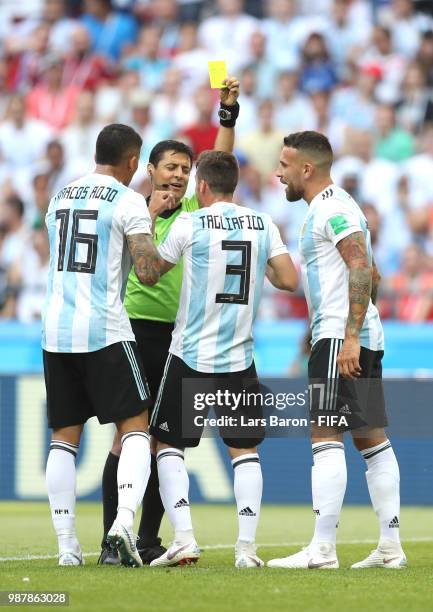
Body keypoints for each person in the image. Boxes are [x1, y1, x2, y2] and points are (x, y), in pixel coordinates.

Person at [99, 77, 242, 565]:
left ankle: (150, 538)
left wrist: (227, 114)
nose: (180, 176)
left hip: (183, 339)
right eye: (172, 168)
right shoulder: (128, 209)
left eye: (185, 169)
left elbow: (218, 166)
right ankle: (111, 537)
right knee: (129, 434)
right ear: (149, 170)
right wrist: (143, 207)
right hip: (136, 331)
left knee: (167, 439)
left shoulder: (191, 213)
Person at [144, 150, 298, 569]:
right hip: (239, 356)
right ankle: (246, 550)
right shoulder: (262, 223)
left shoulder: (189, 223)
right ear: (236, 184)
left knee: (169, 445)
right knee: (244, 450)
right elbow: (288, 279)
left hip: (190, 353)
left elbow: (149, 273)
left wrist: (149, 223)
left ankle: (185, 540)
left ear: (203, 186)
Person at [268, 131, 406, 570]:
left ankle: (322, 549)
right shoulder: (342, 205)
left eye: (284, 166)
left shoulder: (330, 207)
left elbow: (361, 267)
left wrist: (348, 335)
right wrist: (361, 329)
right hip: (361, 336)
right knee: (371, 440)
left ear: (306, 169)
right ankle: (390, 547)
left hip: (339, 339)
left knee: (325, 437)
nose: (278, 173)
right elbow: (374, 272)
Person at [42, 123, 175, 567]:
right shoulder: (129, 201)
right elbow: (148, 271)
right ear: (135, 162)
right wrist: (155, 220)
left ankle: (66, 548)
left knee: (64, 438)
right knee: (136, 427)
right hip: (104, 330)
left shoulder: (61, 196)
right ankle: (122, 523)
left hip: (57, 331)